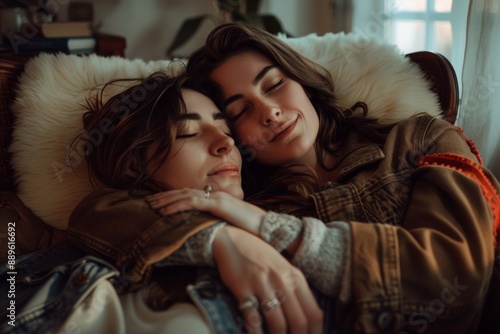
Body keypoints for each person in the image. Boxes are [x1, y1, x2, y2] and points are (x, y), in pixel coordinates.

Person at [157, 22, 499, 333]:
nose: (270, 112)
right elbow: (115, 212)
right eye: (241, 111)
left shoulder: (422, 138)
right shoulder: (242, 204)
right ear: (230, 134)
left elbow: (456, 280)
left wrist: (276, 231)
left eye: (275, 84)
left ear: (302, 81)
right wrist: (220, 239)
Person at [67, 70, 325, 334]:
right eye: (188, 132)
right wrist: (220, 239)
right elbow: (98, 211)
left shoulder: (284, 222)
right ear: (135, 163)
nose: (226, 141)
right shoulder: (107, 220)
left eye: (226, 128)